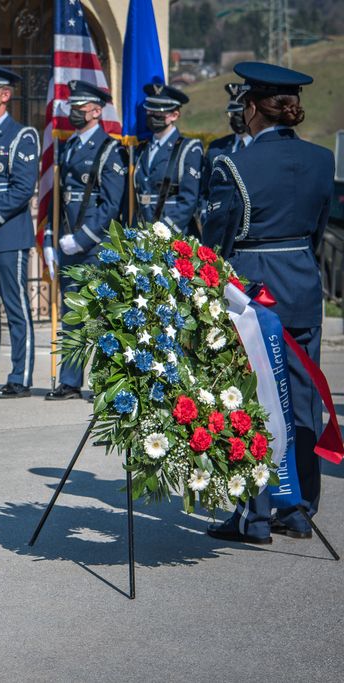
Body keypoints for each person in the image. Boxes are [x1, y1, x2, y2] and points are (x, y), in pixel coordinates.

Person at [204, 62, 334, 544]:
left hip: (253, 291)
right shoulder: (322, 160)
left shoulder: (233, 164)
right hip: (302, 283)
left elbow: (215, 241)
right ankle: (298, 508)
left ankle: (254, 514)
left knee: (251, 400)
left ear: (252, 108)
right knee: (303, 400)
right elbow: (319, 229)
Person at [42, 81, 127, 400]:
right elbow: (58, 198)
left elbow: (111, 204)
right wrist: (50, 238)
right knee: (72, 315)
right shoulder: (68, 146)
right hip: (67, 242)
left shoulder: (109, 150)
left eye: (80, 108)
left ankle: (104, 381)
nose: (74, 112)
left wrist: (82, 239)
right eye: (73, 107)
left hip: (95, 246)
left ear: (96, 111)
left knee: (101, 316)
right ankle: (70, 380)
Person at [0, 66, 40, 399]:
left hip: (8, 236)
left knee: (16, 309)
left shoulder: (21, 135)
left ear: (5, 95)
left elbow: (22, 189)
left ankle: (20, 376)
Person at [131, 82, 203, 234]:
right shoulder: (141, 150)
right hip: (142, 232)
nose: (152, 117)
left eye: (158, 113)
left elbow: (188, 199)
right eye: (150, 112)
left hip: (173, 233)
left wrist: (162, 233)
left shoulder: (188, 149)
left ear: (174, 115)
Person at [199, 83, 251, 221]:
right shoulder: (216, 148)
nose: (235, 118)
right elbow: (205, 190)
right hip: (219, 222)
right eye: (232, 114)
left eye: (239, 113)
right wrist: (205, 215)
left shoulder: (261, 146)